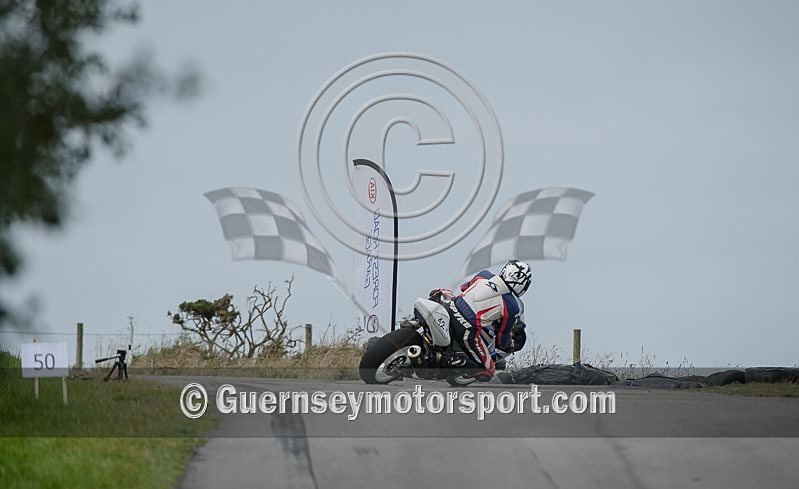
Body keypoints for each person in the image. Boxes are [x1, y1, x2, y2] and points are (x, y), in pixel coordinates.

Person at [429, 259, 531, 381]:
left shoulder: (484, 275)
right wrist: (508, 346)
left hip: (450, 308)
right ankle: (455, 361)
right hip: (466, 329)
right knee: (488, 369)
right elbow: (501, 337)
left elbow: (464, 287)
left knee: (445, 294)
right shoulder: (512, 306)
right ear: (523, 285)